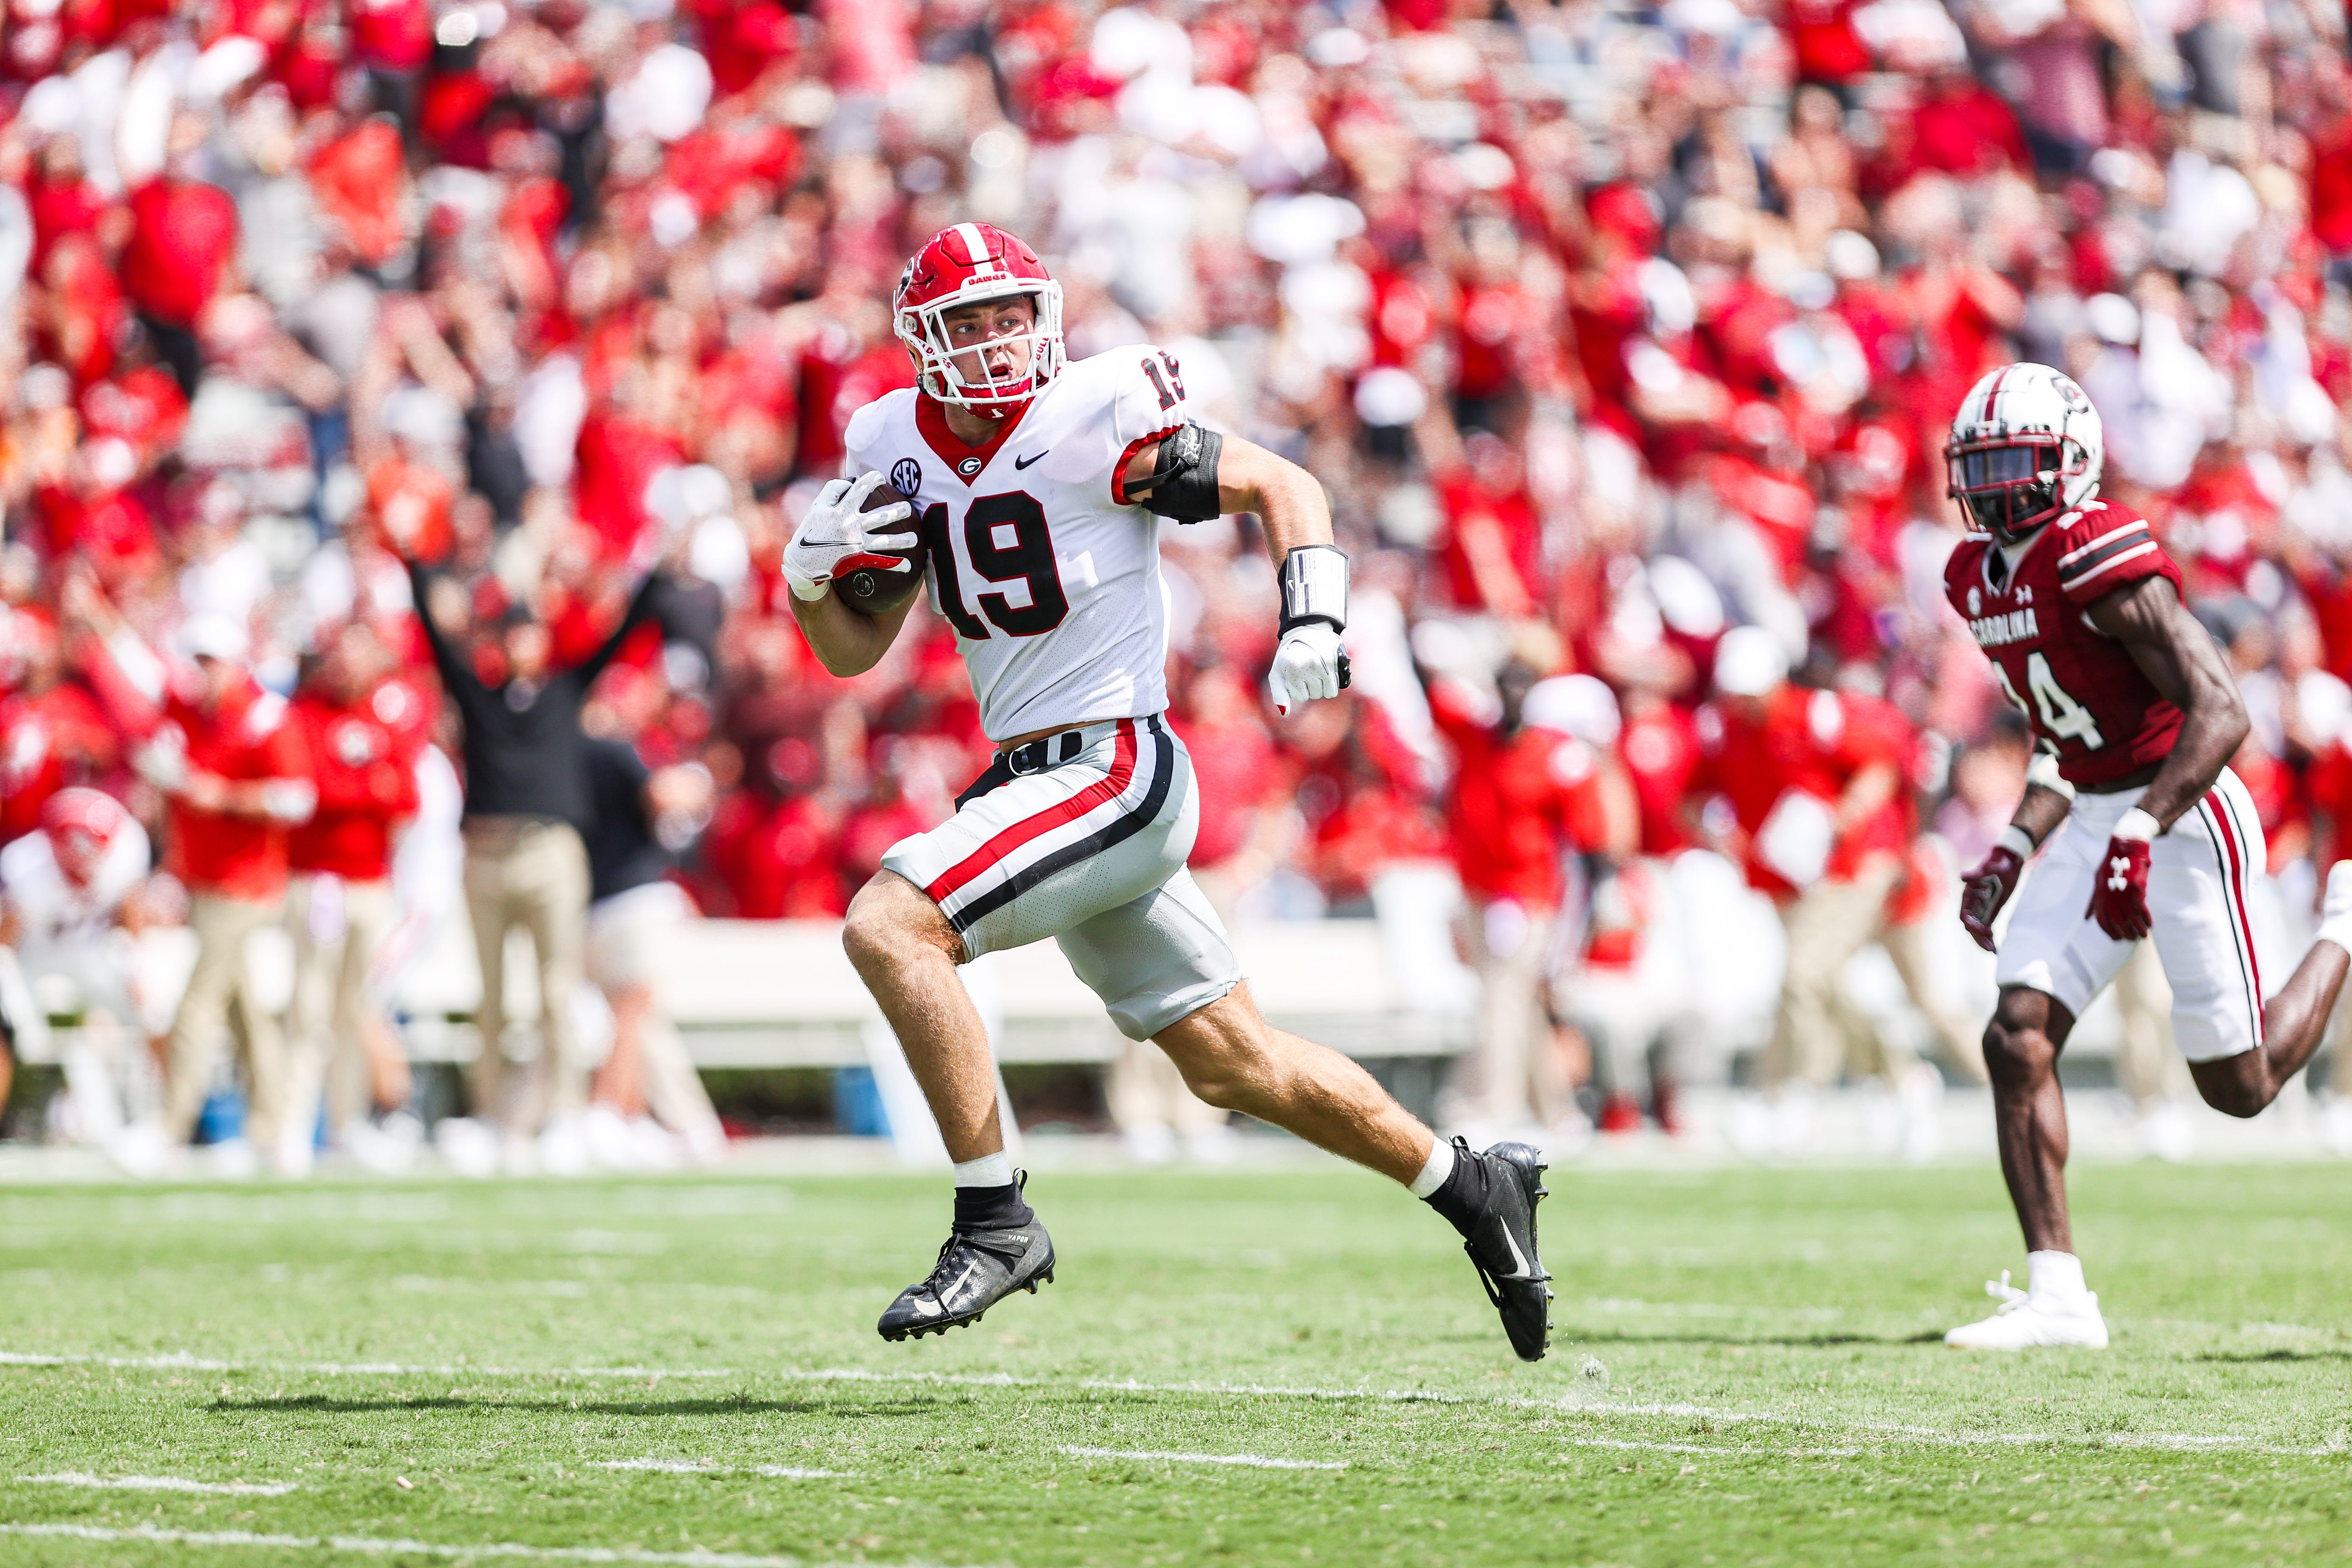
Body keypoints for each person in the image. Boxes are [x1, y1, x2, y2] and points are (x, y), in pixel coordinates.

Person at [791, 223, 1554, 1360]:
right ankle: (1471, 1184)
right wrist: (808, 583)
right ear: (922, 342)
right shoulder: (890, 442)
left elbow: (1280, 482)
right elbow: (851, 652)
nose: (998, 342)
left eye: (1012, 316)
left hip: (1115, 763)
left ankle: (994, 1219)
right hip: (1036, 778)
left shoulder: (1095, 413)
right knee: (1231, 1062)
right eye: (970, 324)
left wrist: (1314, 610)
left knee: (892, 927)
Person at [1943, 362, 2352, 1350]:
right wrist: (2012, 843)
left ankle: (2345, 916)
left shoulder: (2094, 552)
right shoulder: (1973, 578)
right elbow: (2063, 730)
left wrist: (2140, 829)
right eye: (1982, 463)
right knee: (2017, 1034)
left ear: (2069, 464)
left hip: (2184, 806)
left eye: (2017, 461)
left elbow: (2220, 713)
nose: (1997, 484)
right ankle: (2057, 1295)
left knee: (2239, 1087)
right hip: (2092, 813)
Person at [395, 530, 664, 1166]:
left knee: (553, 992)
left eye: (527, 634)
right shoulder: (479, 700)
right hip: (486, 855)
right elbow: (436, 645)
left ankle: (561, 1116)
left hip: (549, 854)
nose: (518, 644)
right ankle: (493, 1119)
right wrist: (415, 562)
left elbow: (619, 636)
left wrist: (652, 574)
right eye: (508, 635)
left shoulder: (565, 694)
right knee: (489, 996)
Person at [1428, 658, 1635, 1141]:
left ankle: (1491, 1107)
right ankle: (1557, 1111)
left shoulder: (1556, 755)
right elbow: (1430, 689)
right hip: (1478, 888)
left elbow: (1589, 835)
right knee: (1516, 1000)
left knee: (1502, 997)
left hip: (1528, 893)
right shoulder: (1476, 737)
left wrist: (1601, 895)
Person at [285, 620, 423, 1171]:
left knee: (355, 1010)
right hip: (317, 879)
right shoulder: (306, 713)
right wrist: (368, 788)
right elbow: (311, 792)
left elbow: (406, 796)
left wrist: (358, 789)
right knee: (308, 1008)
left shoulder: (386, 717)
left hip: (369, 881)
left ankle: (346, 1125)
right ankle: (292, 1124)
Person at [578, 732, 726, 1167]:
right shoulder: (613, 747)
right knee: (634, 1011)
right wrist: (698, 782)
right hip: (631, 898)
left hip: (592, 901)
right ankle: (610, 1113)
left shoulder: (565, 750)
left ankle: (656, 1122)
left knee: (640, 1021)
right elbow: (669, 798)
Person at [0, 788, 152, 1148]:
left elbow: (131, 920)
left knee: (157, 1010)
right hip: (33, 959)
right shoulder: (24, 867)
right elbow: (5, 949)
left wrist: (138, 971)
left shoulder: (128, 848)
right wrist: (20, 1013)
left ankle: (160, 1122)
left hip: (94, 954)